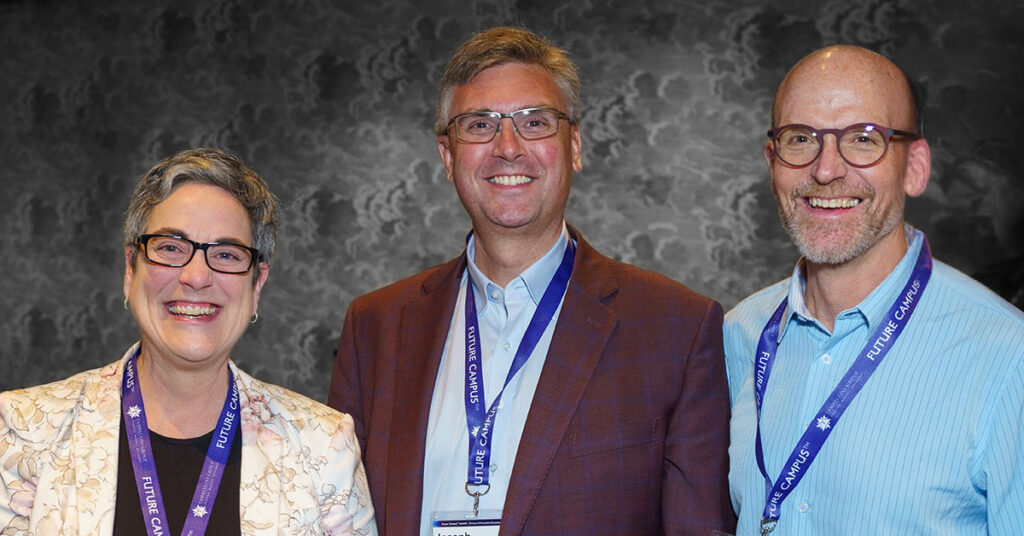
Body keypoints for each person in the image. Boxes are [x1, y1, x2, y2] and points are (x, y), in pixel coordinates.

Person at [328, 27, 734, 536]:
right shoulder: (374, 327)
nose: (508, 148)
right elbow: (337, 516)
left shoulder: (677, 328)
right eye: (479, 125)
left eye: (535, 122)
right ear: (448, 157)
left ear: (575, 146)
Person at [725, 45, 1024, 535]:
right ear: (772, 161)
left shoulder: (1009, 358)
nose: (825, 170)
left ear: (915, 167)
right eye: (801, 138)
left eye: (863, 139)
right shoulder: (739, 334)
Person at [0, 148, 377, 535]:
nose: (197, 276)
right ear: (131, 269)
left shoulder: (322, 446)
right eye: (170, 248)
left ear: (256, 285)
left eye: (227, 254)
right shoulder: (24, 431)